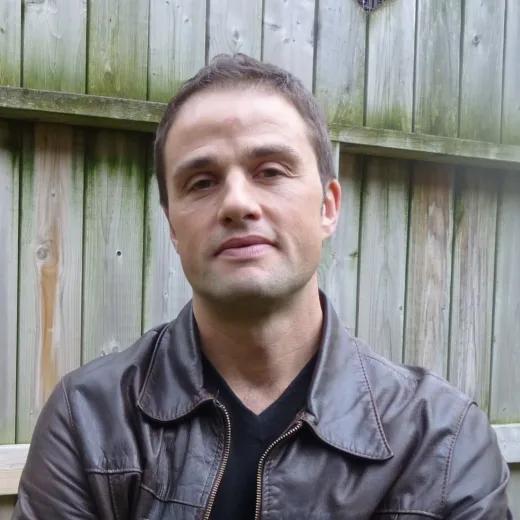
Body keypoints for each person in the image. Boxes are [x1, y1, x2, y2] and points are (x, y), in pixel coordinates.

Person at [14, 54, 511, 519]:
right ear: (172, 226)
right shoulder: (89, 420)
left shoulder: (442, 441)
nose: (237, 203)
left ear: (328, 207)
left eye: (270, 171)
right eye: (201, 182)